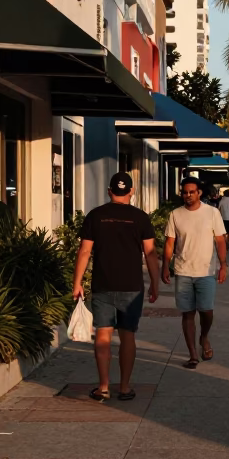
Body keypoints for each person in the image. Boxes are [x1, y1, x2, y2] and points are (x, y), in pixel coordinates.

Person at [72, 172, 159, 402]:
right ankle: (125, 387)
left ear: (109, 191)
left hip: (103, 284)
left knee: (102, 335)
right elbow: (150, 254)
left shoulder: (96, 216)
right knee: (127, 336)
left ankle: (103, 387)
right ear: (131, 191)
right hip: (132, 286)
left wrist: (77, 283)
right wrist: (155, 284)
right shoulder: (141, 218)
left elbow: (84, 251)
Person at [161, 176, 228, 367]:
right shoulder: (175, 214)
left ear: (199, 193)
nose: (188, 195)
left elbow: (220, 240)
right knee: (187, 313)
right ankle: (192, 354)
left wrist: (223, 265)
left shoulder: (212, 213)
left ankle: (204, 337)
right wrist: (165, 265)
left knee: (206, 311)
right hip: (183, 271)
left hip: (206, 271)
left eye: (192, 192)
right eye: (184, 192)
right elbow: (170, 243)